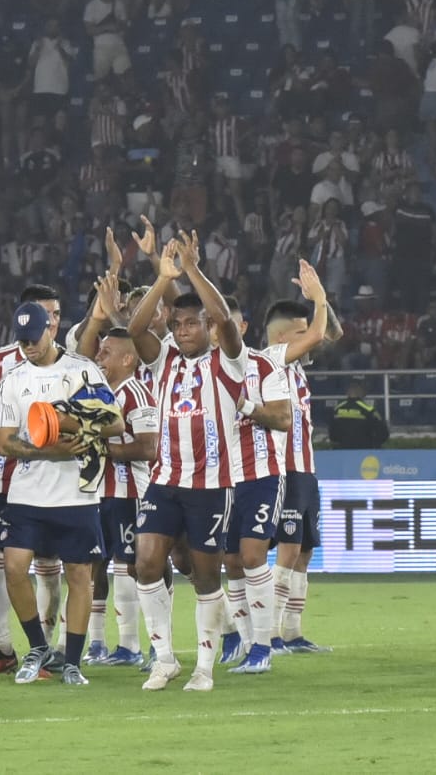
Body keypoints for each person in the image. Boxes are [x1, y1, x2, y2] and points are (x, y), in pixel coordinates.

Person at [123, 237, 289, 689]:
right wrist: (162, 279)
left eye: (191, 324)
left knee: (204, 576)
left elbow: (222, 319)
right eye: (176, 325)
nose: (182, 331)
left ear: (208, 328)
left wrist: (194, 271)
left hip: (213, 485)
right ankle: (163, 658)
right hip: (165, 480)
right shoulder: (165, 362)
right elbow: (137, 330)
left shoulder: (230, 364)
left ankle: (203, 665)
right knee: (146, 563)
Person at [0, 302, 118, 686]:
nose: (28, 346)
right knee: (13, 568)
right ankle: (37, 647)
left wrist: (72, 423)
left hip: (76, 493)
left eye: (34, 338)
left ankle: (73, 661)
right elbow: (4, 443)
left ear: (51, 328)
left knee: (79, 574)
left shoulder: (83, 370)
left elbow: (114, 422)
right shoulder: (13, 378)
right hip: (27, 493)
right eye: (22, 340)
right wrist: (50, 449)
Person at [0, 284, 66, 679]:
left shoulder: (70, 364)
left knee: (47, 561)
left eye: (56, 314)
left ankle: (47, 651)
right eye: (45, 313)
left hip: (48, 477)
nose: (52, 320)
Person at [260, 289, 339, 655]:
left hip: (306, 470)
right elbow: (320, 335)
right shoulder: (271, 359)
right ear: (280, 338)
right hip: (285, 469)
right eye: (300, 332)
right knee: (288, 549)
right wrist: (319, 299)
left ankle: (293, 631)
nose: (309, 338)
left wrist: (321, 300)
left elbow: (332, 334)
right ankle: (271, 634)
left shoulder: (296, 367)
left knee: (305, 549)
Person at [87, 314, 158, 667]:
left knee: (132, 566)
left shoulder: (137, 394)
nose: (99, 357)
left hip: (130, 494)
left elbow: (148, 448)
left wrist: (101, 448)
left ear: (127, 359)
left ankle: (137, 645)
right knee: (94, 565)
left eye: (106, 352)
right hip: (98, 494)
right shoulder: (102, 394)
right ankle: (99, 643)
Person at [328, 379, 390, 449]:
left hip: (342, 451)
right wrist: (373, 444)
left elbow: (332, 435)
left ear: (347, 392)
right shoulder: (369, 410)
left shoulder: (336, 409)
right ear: (362, 393)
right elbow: (383, 433)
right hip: (364, 451)